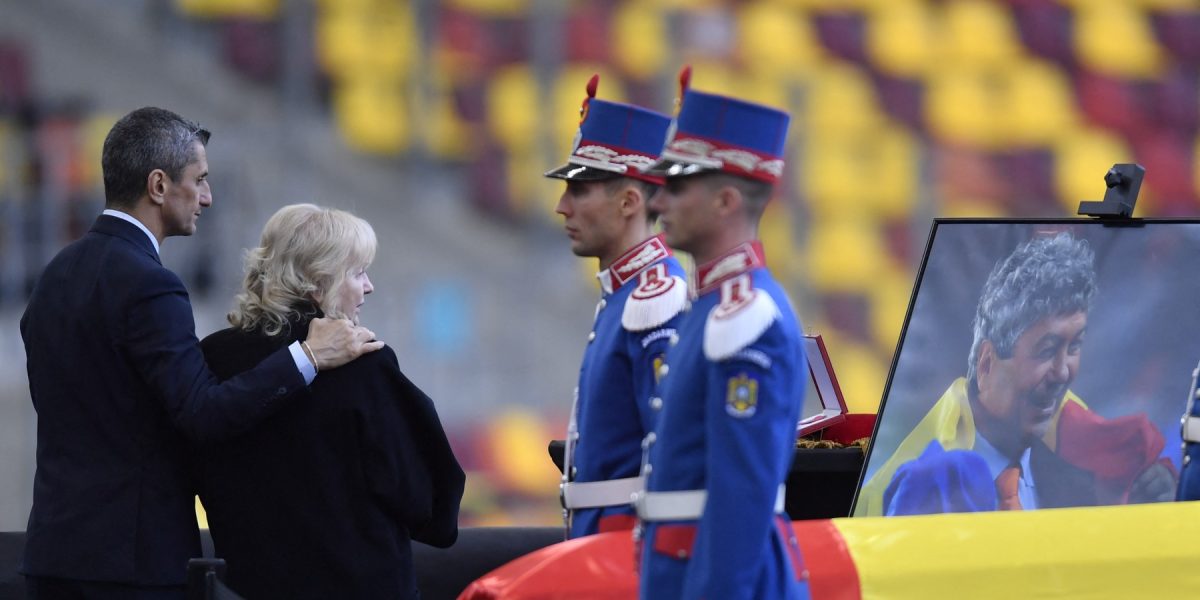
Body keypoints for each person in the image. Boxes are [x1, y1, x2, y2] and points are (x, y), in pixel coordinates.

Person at [19, 107, 381, 597]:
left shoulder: (54, 276)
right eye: (200, 180)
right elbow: (203, 412)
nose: (208, 197)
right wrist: (308, 357)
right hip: (133, 567)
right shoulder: (151, 286)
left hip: (52, 556)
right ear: (159, 186)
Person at [196, 204, 464, 599]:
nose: (368, 286)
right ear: (317, 283)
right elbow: (421, 500)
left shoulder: (212, 357)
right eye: (357, 273)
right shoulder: (362, 364)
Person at [635, 70, 810, 600]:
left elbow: (741, 494)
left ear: (727, 201)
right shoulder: (712, 307)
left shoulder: (744, 318)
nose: (657, 202)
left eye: (678, 186)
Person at [858, 232, 1176, 516]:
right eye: (1047, 349)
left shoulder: (1087, 481)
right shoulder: (921, 486)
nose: (1063, 371)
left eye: (1074, 347)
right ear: (986, 364)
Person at [544, 75, 687, 539]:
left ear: (628, 201)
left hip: (626, 545)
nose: (562, 206)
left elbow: (669, 454)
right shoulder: (626, 292)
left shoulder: (656, 299)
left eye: (579, 191)